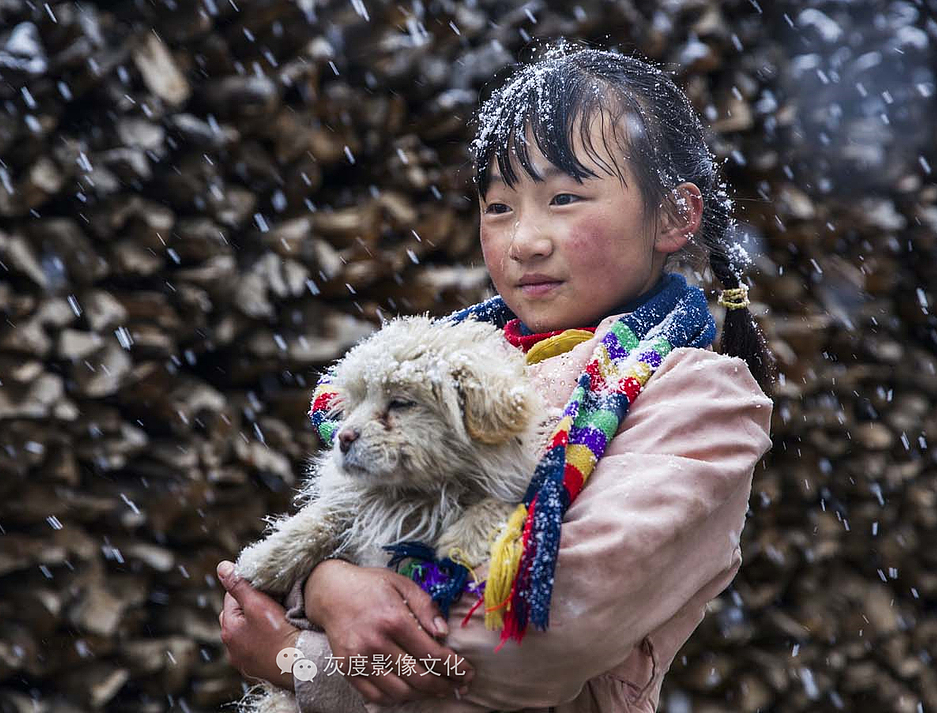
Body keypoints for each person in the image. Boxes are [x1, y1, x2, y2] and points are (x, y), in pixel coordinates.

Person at [217, 44, 775, 713]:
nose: (524, 241)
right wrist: (332, 584)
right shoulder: (451, 364)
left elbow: (541, 635)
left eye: (564, 197)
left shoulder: (698, 397)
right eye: (500, 205)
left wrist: (300, 657)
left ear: (674, 216)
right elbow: (325, 536)